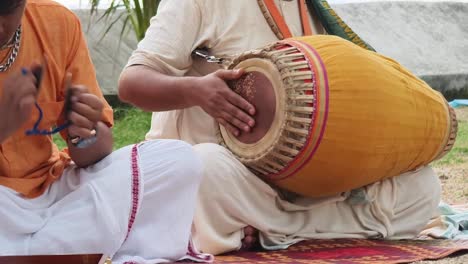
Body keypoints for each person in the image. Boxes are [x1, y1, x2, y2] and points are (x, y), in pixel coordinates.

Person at [119, 0, 441, 255]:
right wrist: (197, 91)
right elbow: (131, 83)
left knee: (422, 188)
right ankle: (306, 226)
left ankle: (274, 229)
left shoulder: (317, 13)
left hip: (302, 183)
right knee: (200, 168)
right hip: (232, 179)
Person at [0, 1, 211, 263]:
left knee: (178, 160)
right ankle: (65, 250)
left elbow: (96, 153)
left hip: (53, 195)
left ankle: (35, 251)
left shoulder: (57, 23)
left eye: (7, 9)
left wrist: (84, 133)